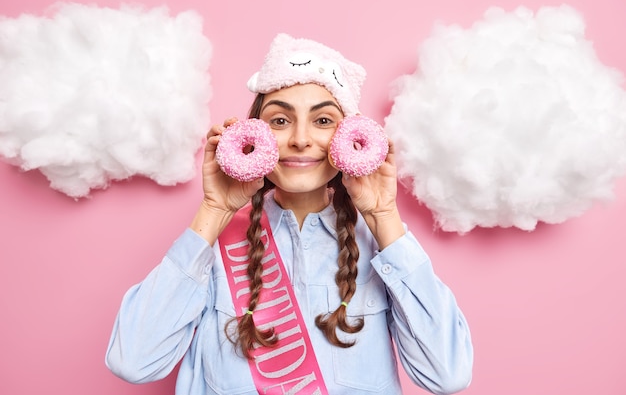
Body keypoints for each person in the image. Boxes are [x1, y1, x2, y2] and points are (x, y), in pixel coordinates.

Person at [106, 33, 473, 395]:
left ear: (350, 137)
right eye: (280, 121)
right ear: (254, 135)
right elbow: (134, 361)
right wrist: (213, 212)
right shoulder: (215, 244)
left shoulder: (380, 245)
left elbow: (447, 374)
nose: (299, 139)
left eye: (323, 121)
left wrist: (384, 216)